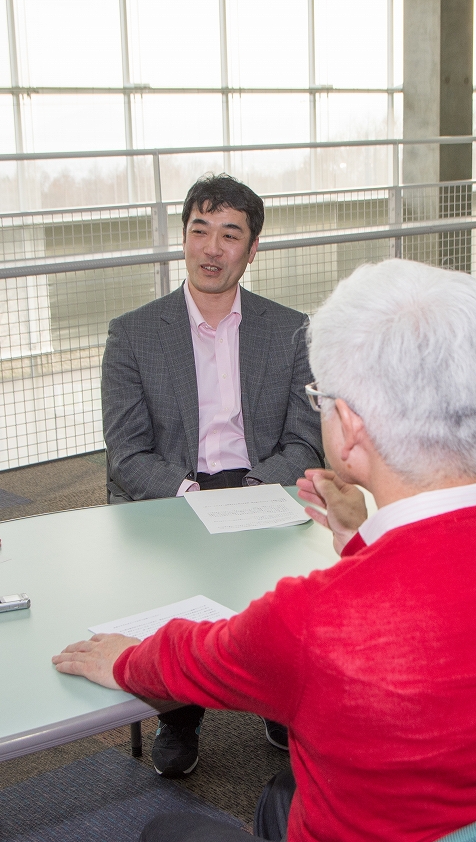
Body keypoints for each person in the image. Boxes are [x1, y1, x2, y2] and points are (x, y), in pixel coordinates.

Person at [56, 259, 476, 842]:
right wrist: (356, 540)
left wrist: (122, 659)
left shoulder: (311, 621)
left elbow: (191, 658)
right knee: (280, 795)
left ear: (348, 427)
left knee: (170, 831)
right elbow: (435, 611)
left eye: (321, 398)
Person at [100, 174, 323, 775]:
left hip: (263, 481)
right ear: (184, 239)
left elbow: (307, 439)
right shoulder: (133, 333)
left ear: (252, 251)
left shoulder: (292, 328)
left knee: (284, 593)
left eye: (230, 235)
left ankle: (278, 698)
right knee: (179, 598)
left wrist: (250, 493)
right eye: (200, 231)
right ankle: (179, 712)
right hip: (174, 489)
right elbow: (126, 452)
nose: (211, 248)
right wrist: (191, 496)